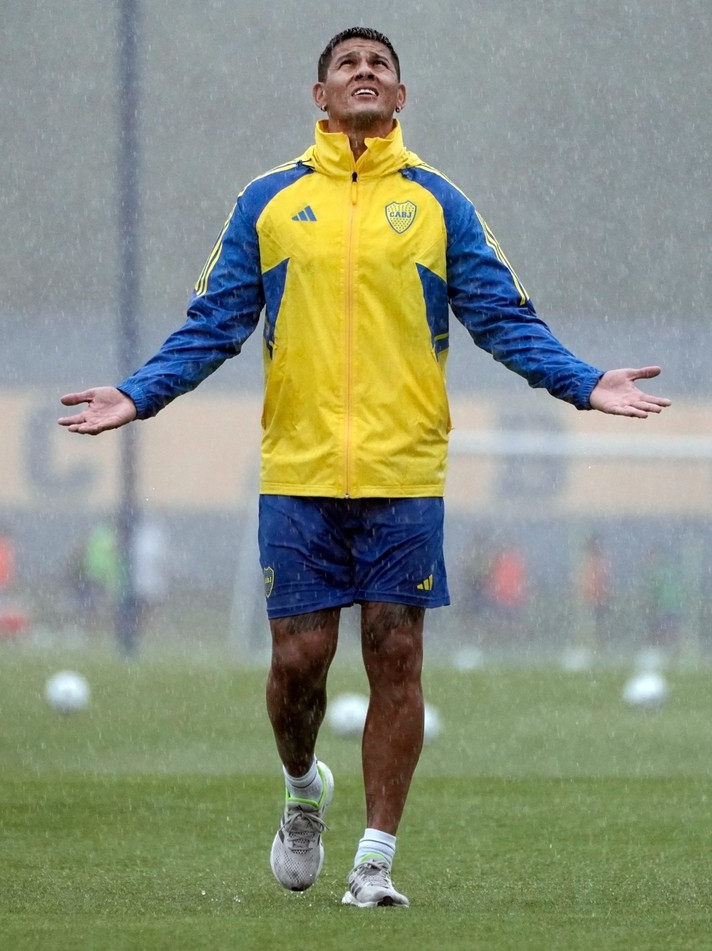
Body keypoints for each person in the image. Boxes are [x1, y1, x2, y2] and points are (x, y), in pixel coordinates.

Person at [58, 27, 671, 907]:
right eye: (347, 64)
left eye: (380, 64)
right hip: (300, 472)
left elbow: (504, 316)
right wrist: (139, 394)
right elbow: (213, 321)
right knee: (299, 663)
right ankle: (305, 788)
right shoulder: (269, 202)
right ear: (320, 96)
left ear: (402, 97)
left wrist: (583, 382)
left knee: (396, 652)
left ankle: (375, 859)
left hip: (404, 472)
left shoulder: (438, 205)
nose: (365, 73)